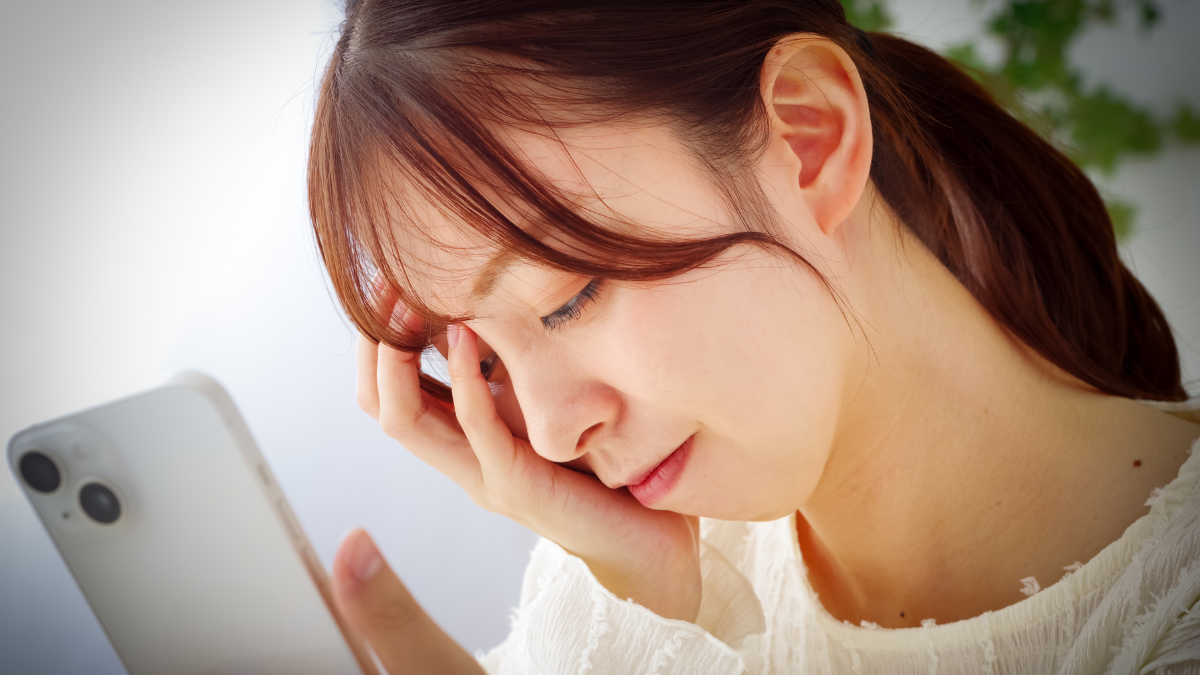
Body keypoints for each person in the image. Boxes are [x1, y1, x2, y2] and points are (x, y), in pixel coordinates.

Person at [306, 1, 1200, 672]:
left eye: (570, 295)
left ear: (810, 135)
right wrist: (642, 611)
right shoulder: (623, 597)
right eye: (486, 363)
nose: (544, 434)